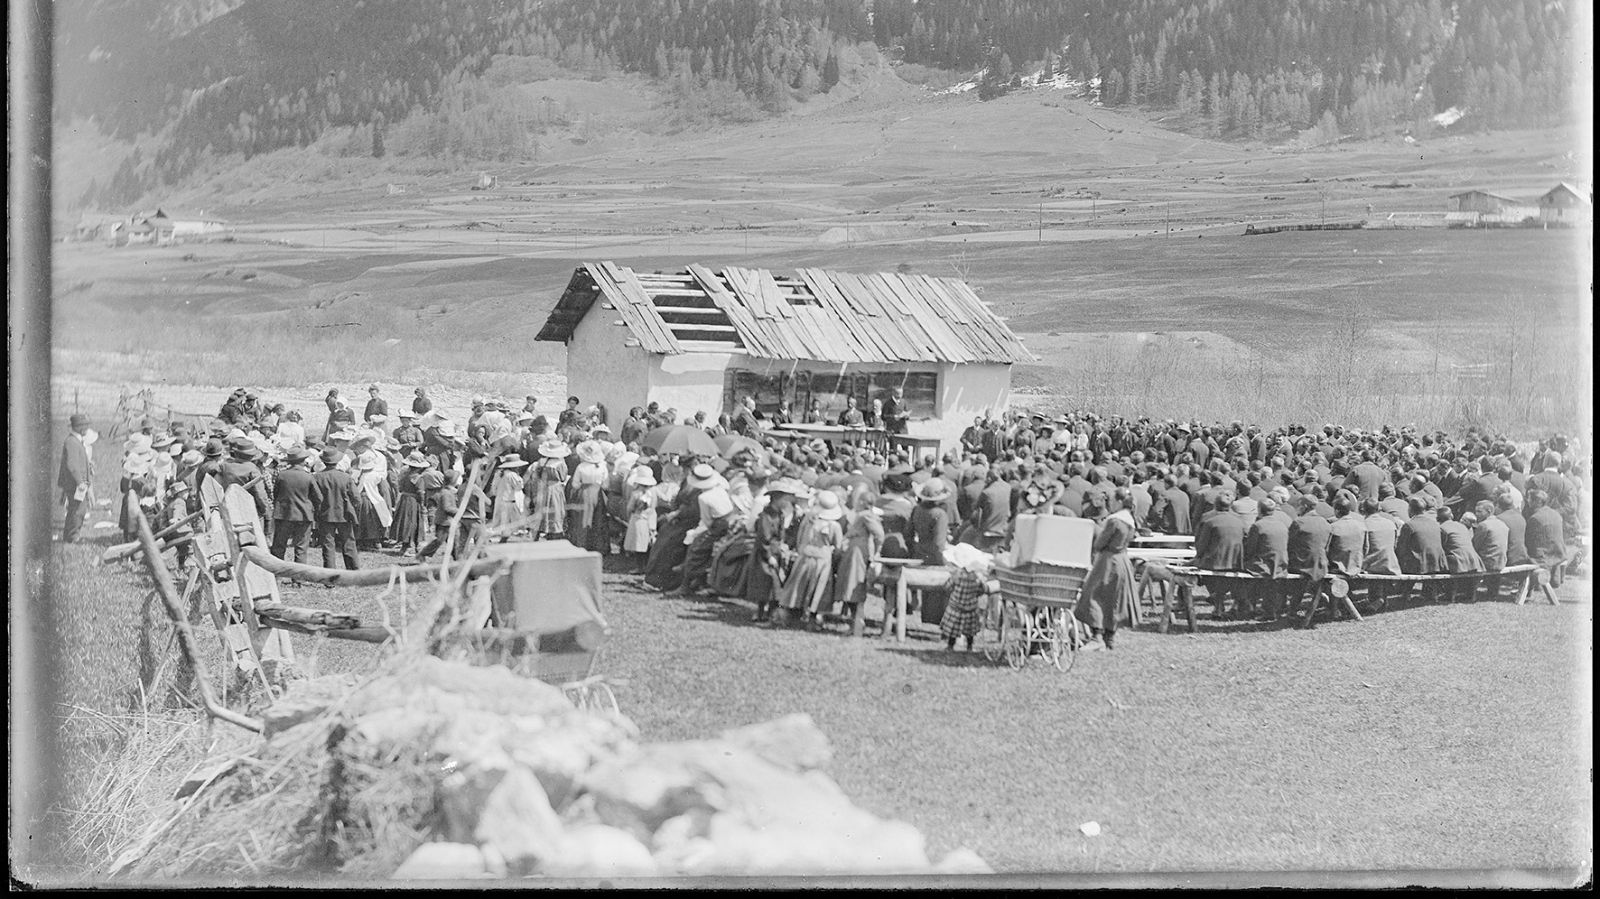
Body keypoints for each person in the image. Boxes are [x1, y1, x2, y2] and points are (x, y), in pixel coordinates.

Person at [1073, 488, 1141, 650]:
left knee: (1094, 595)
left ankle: (1097, 637)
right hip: (1123, 560)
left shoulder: (1114, 520)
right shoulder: (1130, 519)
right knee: (1114, 599)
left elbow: (1099, 543)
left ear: (1118, 501)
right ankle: (1109, 636)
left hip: (1109, 561)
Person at [778, 490, 847, 630]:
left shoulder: (807, 520)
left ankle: (790, 614)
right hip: (823, 560)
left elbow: (799, 538)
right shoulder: (834, 526)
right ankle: (813, 618)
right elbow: (838, 546)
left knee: (798, 585)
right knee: (819, 588)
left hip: (805, 556)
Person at [834, 487, 884, 636]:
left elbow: (879, 534)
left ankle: (857, 623)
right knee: (849, 584)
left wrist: (877, 550)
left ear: (862, 502)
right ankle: (855, 621)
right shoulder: (863, 515)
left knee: (853, 585)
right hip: (854, 550)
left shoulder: (864, 515)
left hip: (858, 552)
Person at [311, 447, 361, 571]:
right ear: (337, 461)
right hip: (344, 513)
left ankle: (330, 576)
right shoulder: (345, 477)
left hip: (325, 514)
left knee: (328, 545)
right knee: (349, 543)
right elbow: (356, 498)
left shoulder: (317, 477)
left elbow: (314, 498)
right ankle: (354, 571)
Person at [270, 447, 316, 565]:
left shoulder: (282, 475)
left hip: (283, 514)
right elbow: (318, 497)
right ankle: (298, 579)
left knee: (279, 546)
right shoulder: (308, 476)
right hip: (304, 515)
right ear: (302, 460)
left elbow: (276, 493)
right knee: (301, 548)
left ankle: (277, 574)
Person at [567, 440, 610, 553]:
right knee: (599, 518)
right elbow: (606, 485)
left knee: (583, 518)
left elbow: (575, 484)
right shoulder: (602, 467)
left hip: (584, 493)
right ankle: (599, 545)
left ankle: (582, 543)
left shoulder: (581, 467)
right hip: (598, 493)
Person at [59, 413, 96, 542]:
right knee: (77, 510)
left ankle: (70, 535)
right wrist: (80, 482)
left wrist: (88, 463)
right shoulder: (72, 442)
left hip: (78, 482)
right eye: (85, 426)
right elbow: (72, 465)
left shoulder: (76, 441)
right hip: (75, 483)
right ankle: (73, 536)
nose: (87, 428)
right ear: (80, 427)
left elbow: (77, 460)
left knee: (77, 508)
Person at [528, 440, 571, 540]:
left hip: (543, 487)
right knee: (555, 508)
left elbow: (537, 475)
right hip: (555, 488)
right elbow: (563, 477)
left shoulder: (542, 462)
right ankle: (554, 530)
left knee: (542, 508)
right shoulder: (560, 464)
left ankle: (540, 529)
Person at [623, 465, 659, 572]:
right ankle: (648, 565)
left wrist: (629, 514)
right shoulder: (654, 492)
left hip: (638, 518)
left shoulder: (636, 493)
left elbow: (630, 507)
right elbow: (655, 505)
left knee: (638, 544)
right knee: (648, 542)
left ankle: (640, 567)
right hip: (650, 518)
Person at [490, 455, 529, 534]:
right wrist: (519, 477)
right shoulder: (512, 475)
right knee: (509, 521)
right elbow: (519, 487)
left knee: (500, 521)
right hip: (508, 500)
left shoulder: (498, 473)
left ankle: (503, 535)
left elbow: (494, 488)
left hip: (499, 499)